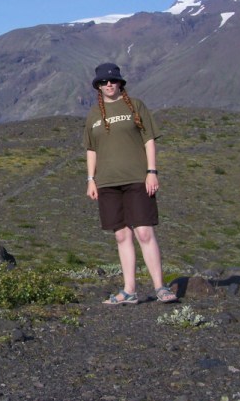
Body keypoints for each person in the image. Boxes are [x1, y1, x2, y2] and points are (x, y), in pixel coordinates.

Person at [82, 62, 177, 304]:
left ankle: (160, 287)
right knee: (121, 236)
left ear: (121, 82)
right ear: (98, 86)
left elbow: (149, 141)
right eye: (103, 82)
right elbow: (91, 149)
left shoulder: (135, 105)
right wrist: (91, 179)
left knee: (144, 232)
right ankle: (129, 290)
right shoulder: (94, 115)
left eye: (113, 80)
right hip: (107, 182)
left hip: (137, 178)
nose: (109, 84)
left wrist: (152, 171)